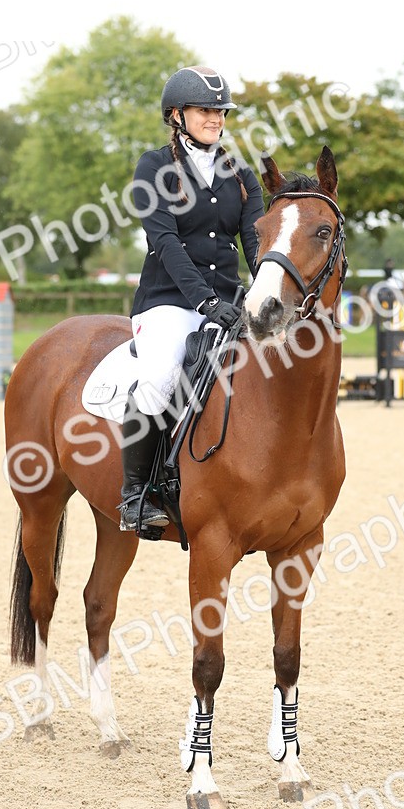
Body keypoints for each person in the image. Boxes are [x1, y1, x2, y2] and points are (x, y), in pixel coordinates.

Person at [119, 65, 265, 532]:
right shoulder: (154, 167)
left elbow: (254, 243)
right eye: (205, 110)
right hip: (168, 302)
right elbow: (166, 243)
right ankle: (136, 495)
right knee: (161, 376)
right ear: (176, 115)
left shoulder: (240, 173)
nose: (216, 118)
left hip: (230, 302)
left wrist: (266, 292)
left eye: (221, 111)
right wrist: (204, 302)